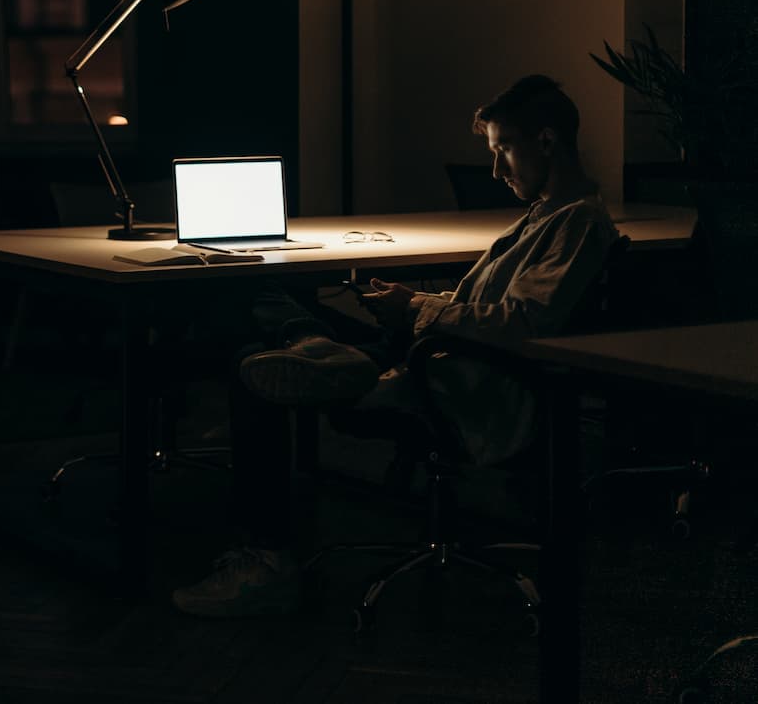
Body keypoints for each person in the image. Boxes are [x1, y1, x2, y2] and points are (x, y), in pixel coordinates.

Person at [172, 73, 620, 618]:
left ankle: (265, 559)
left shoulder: (578, 224)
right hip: (435, 350)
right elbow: (497, 305)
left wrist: (418, 309)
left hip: (452, 377)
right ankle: (313, 342)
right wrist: (416, 300)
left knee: (251, 367)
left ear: (546, 141)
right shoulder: (545, 216)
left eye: (504, 150)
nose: (497, 169)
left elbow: (520, 323)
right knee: (251, 282)